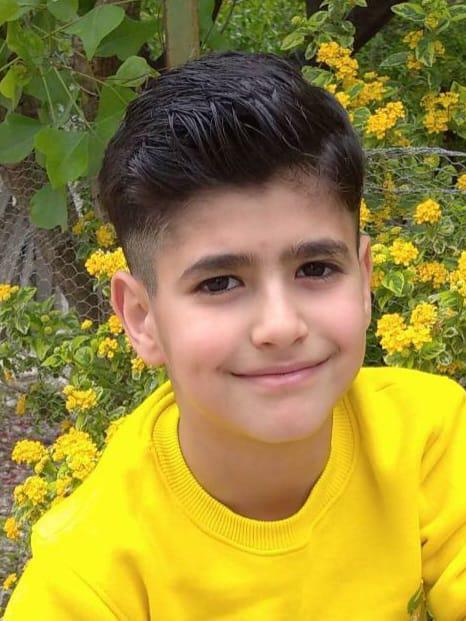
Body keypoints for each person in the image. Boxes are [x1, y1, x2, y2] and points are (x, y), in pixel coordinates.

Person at [4, 51, 466, 621]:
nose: (281, 326)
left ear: (365, 280)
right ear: (142, 318)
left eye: (316, 269)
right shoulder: (89, 577)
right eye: (219, 283)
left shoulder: (427, 437)